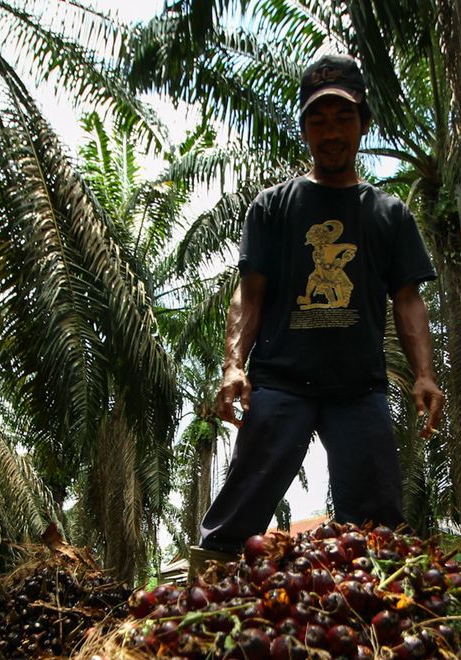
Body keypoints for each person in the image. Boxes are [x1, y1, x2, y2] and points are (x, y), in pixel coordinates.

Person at [188, 54, 444, 577]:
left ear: (363, 125)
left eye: (343, 118)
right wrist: (233, 364)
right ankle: (199, 614)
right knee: (236, 517)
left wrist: (424, 374)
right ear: (304, 129)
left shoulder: (388, 214)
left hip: (359, 388)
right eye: (318, 120)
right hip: (281, 382)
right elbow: (249, 294)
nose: (331, 131)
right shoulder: (273, 207)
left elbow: (408, 300)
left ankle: (376, 630)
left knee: (378, 532)